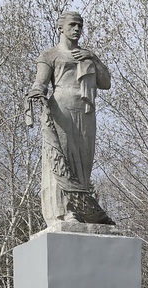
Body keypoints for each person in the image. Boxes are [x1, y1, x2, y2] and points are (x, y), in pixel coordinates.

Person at [26, 11, 113, 225]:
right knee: (62, 159)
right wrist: (35, 92)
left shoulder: (87, 55)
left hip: (85, 112)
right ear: (61, 28)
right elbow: (41, 82)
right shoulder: (50, 55)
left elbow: (106, 82)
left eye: (80, 26)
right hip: (61, 110)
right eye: (73, 25)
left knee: (83, 162)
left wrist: (92, 57)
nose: (77, 29)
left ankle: (81, 209)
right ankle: (64, 212)